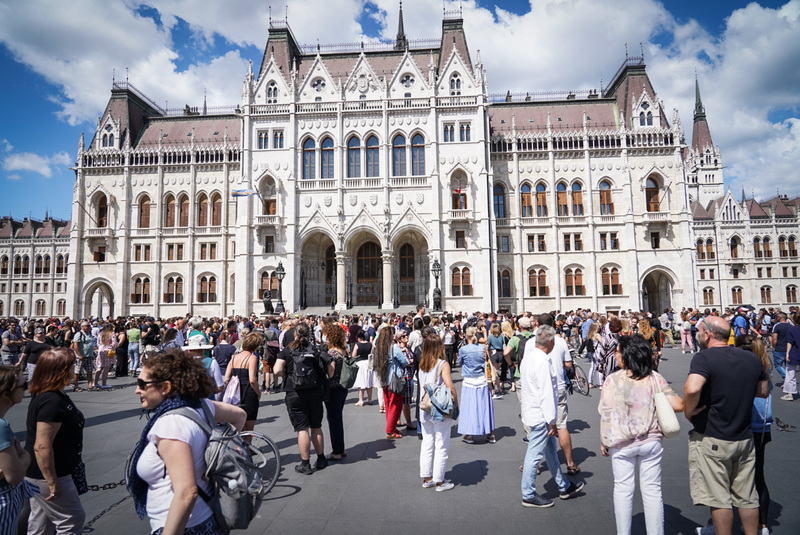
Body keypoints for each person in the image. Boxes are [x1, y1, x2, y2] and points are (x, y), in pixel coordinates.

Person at [127, 349, 246, 535]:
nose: (137, 390)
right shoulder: (201, 405)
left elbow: (186, 493)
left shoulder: (171, 424)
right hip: (209, 515)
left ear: (165, 387)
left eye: (142, 384)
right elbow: (240, 415)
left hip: (186, 526)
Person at [683, 315, 769, 535]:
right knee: (747, 496)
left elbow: (693, 388)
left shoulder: (704, 358)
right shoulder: (750, 359)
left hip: (713, 437)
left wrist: (689, 410)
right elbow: (763, 391)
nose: (698, 335)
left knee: (719, 497)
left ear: (708, 334)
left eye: (700, 331)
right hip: (744, 437)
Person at [599, 335, 683, 534]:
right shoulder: (654, 377)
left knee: (622, 490)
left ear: (627, 355)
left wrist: (604, 441)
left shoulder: (612, 380)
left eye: (617, 352)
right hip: (650, 439)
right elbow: (678, 405)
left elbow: (605, 413)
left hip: (621, 442)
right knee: (652, 491)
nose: (615, 355)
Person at [520, 325, 584, 508]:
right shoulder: (541, 361)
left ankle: (563, 486)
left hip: (533, 410)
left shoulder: (530, 357)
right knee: (534, 454)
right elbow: (547, 393)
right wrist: (551, 421)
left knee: (550, 450)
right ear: (550, 341)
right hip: (541, 415)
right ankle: (528, 493)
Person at [24, 348, 86, 534]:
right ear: (62, 370)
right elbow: (42, 446)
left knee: (41, 522)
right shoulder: (52, 401)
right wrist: (52, 481)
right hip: (51, 473)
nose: (75, 368)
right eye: (71, 365)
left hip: (43, 473)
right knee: (71, 520)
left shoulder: (52, 395)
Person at [274, 322, 333, 474]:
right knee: (316, 426)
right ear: (309, 335)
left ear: (295, 334)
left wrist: (287, 375)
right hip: (314, 392)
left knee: (302, 429)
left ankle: (305, 464)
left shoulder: (287, 350)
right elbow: (331, 369)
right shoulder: (316, 350)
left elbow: (276, 370)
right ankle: (320, 459)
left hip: (294, 392)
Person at [735, 334, 772, 535]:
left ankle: (721, 524)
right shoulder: (764, 367)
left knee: (734, 475)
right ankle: (762, 525)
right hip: (763, 427)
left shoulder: (746, 369)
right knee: (758, 476)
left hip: (745, 426)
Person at [0, 365, 38, 532]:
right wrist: (24, 457)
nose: (27, 388)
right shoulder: (1, 427)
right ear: (6, 394)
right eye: (23, 385)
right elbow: (14, 476)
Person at [418, 333, 457, 492]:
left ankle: (427, 478)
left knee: (427, 443)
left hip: (424, 408)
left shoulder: (422, 364)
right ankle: (440, 481)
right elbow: (450, 386)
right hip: (439, 409)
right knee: (441, 444)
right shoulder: (442, 364)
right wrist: (455, 402)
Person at [457, 326, 496, 444]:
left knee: (469, 408)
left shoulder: (464, 349)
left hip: (469, 380)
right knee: (485, 407)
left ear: (466, 336)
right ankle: (491, 434)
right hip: (482, 379)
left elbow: (460, 362)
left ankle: (470, 434)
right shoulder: (483, 347)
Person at [223, 333, 262, 437]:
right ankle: (248, 449)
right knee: (249, 426)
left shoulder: (234, 357)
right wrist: (258, 393)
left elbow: (226, 379)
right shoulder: (252, 358)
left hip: (235, 393)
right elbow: (252, 379)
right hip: (248, 392)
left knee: (237, 425)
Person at [373, 325, 407, 439]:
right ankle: (390, 431)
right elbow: (404, 361)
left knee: (388, 405)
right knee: (395, 405)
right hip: (394, 379)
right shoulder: (394, 347)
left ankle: (391, 426)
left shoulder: (379, 348)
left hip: (383, 379)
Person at [322, 322, 348, 461]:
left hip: (333, 389)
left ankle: (336, 451)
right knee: (338, 418)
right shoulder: (344, 349)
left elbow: (330, 373)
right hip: (343, 387)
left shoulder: (331, 353)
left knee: (334, 421)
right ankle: (341, 448)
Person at [395, 331, 417, 431]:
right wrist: (413, 361)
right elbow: (407, 362)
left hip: (407, 376)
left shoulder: (407, 348)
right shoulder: (401, 350)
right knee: (406, 401)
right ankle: (409, 422)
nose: (406, 337)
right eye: (403, 336)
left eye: (406, 335)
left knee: (402, 400)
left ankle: (399, 420)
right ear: (399, 339)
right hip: (406, 377)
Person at [351, 331, 374, 406]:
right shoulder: (369, 344)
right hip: (368, 363)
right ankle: (370, 399)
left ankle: (361, 400)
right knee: (369, 381)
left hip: (360, 363)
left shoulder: (357, 344)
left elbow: (354, 355)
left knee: (361, 382)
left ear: (358, 338)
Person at [71, 321, 95, 391]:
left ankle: (90, 384)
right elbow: (75, 345)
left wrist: (92, 353)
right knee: (77, 371)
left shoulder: (89, 334)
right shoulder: (79, 334)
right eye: (87, 326)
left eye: (89, 326)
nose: (89, 327)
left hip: (89, 355)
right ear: (83, 327)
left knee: (89, 370)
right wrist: (79, 354)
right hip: (81, 356)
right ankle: (76, 386)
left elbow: (91, 344)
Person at [93, 324, 118, 389]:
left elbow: (98, 344)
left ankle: (95, 382)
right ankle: (104, 384)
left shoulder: (100, 334)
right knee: (106, 368)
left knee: (100, 367)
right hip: (108, 351)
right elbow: (114, 343)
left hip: (101, 351)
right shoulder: (112, 334)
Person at [782, 312, 800, 401]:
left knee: (790, 373)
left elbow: (790, 342)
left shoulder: (791, 329)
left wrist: (787, 353)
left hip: (795, 352)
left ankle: (790, 393)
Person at [770, 312, 789, 386]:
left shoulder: (777, 326)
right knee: (788, 366)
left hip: (779, 348)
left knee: (778, 365)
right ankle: (789, 379)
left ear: (779, 318)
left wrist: (773, 346)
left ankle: (786, 378)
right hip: (788, 348)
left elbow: (774, 338)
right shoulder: (790, 326)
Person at [487, 323, 505, 398]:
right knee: (496, 371)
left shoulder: (490, 337)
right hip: (500, 353)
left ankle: (493, 390)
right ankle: (499, 388)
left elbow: (488, 345)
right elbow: (503, 345)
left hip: (493, 353)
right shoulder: (501, 336)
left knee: (494, 373)